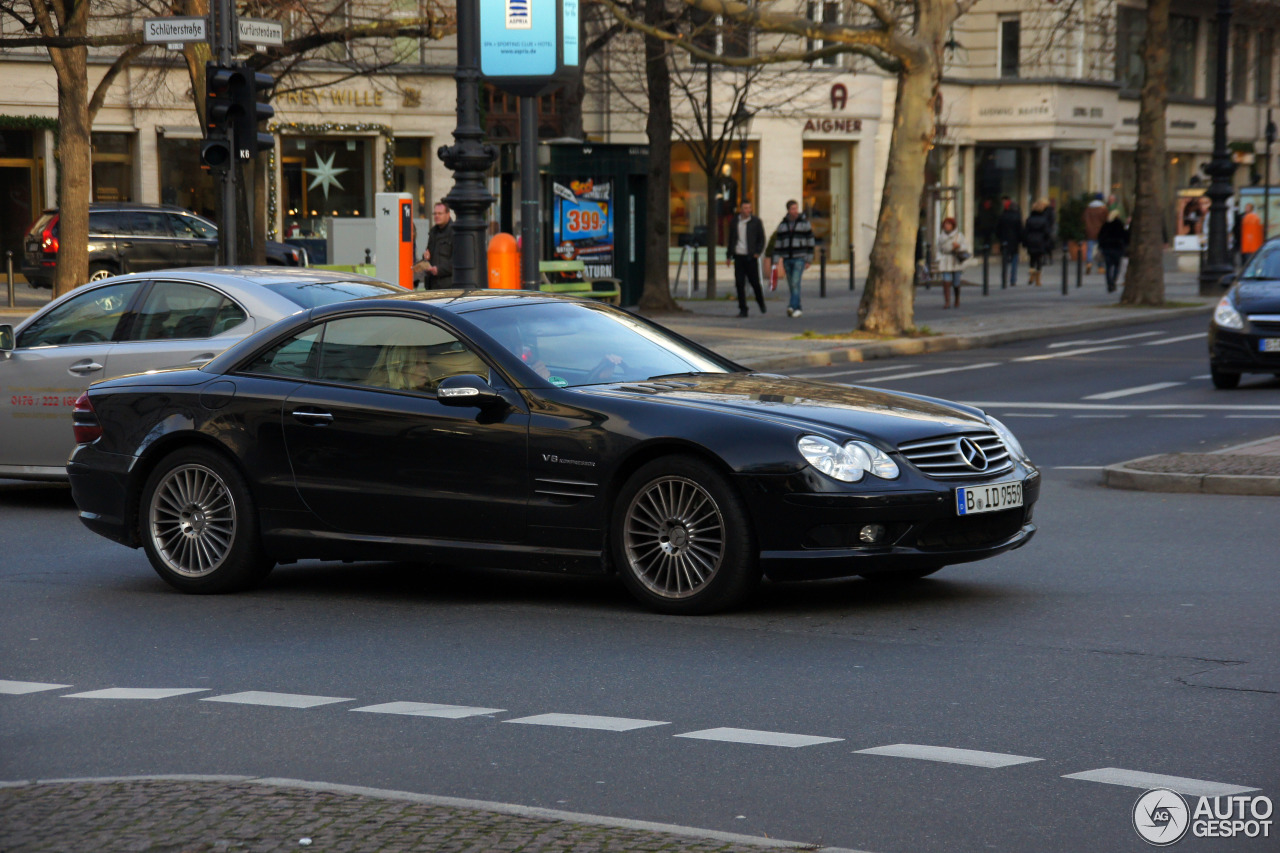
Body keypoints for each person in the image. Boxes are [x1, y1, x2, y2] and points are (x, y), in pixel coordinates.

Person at [770, 200, 815, 318]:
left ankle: (791, 306)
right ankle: (798, 308)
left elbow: (811, 241)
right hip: (787, 258)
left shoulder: (804, 223)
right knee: (792, 284)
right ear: (788, 210)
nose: (795, 211)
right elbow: (778, 243)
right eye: (792, 209)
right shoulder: (783, 225)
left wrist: (809, 259)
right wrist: (775, 259)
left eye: (796, 208)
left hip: (799, 257)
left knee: (795, 282)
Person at [725, 200, 766, 318]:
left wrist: (757, 252)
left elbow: (761, 238)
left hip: (751, 256)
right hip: (738, 256)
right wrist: (729, 255)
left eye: (749, 208)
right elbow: (731, 239)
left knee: (755, 283)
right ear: (741, 209)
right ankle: (743, 308)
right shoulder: (735, 221)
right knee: (739, 283)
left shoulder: (756, 222)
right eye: (745, 208)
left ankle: (760, 302)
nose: (748, 210)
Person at [935, 217, 970, 309]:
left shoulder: (959, 235)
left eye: (949, 224)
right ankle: (947, 302)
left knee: (956, 282)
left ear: (953, 226)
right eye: (945, 224)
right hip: (945, 259)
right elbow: (938, 249)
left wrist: (958, 246)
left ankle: (957, 299)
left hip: (956, 260)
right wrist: (939, 259)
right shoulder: (941, 237)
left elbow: (966, 247)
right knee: (946, 281)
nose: (947, 226)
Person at [418, 202, 455, 290]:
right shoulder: (433, 232)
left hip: (448, 285)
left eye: (440, 213)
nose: (436, 216)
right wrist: (425, 256)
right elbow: (429, 253)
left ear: (448, 214)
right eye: (435, 214)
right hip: (432, 285)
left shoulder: (454, 232)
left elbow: (458, 261)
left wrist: (438, 269)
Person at [1023, 199, 1054, 287]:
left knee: (1032, 259)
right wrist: (1047, 241)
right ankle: (1038, 280)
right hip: (1040, 241)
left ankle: (1031, 275)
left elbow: (1026, 231)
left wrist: (1025, 241)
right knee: (1039, 260)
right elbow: (1047, 232)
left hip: (1031, 241)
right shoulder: (1044, 220)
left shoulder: (1029, 219)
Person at [1097, 210, 1129, 293]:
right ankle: (1113, 281)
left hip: (1107, 248)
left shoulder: (1106, 225)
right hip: (1117, 249)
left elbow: (1100, 236)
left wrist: (1101, 246)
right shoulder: (1120, 225)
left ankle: (1109, 283)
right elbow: (1125, 236)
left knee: (1108, 267)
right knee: (1116, 267)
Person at [996, 198, 1023, 286]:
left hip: (1004, 241)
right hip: (1014, 241)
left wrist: (1000, 238)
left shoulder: (1002, 216)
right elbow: (1020, 230)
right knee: (1014, 261)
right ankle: (1013, 280)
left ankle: (1004, 278)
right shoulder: (1017, 217)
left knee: (1004, 260)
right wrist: (1020, 240)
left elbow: (998, 230)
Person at [1083, 192, 1108, 274]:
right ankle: (1100, 267)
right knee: (1101, 250)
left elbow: (1083, 218)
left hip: (1090, 231)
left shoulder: (1088, 208)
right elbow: (1106, 220)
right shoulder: (1103, 208)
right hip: (1101, 231)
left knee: (1089, 249)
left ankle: (1089, 263)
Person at [1239, 202, 1263, 267]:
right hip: (1251, 244)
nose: (1246, 209)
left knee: (1249, 260)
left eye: (1248, 208)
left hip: (1249, 244)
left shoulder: (1249, 217)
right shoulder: (1254, 217)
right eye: (1246, 207)